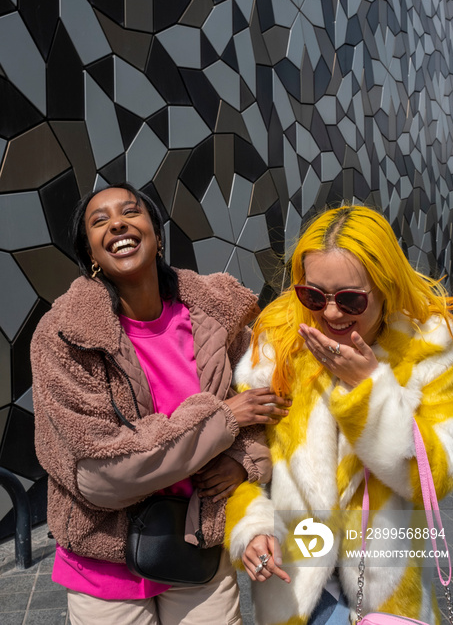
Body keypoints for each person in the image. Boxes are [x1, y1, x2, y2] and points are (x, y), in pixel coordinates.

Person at [31, 182, 292, 625]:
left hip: (198, 553)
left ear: (155, 233)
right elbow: (99, 474)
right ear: (91, 253)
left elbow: (264, 414)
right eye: (99, 221)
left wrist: (244, 464)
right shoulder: (63, 338)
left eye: (130, 212)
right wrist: (221, 421)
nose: (117, 223)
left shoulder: (215, 318)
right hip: (105, 568)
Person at [224, 205, 453, 625]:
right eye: (313, 296)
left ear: (386, 286)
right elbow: (241, 463)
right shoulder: (278, 343)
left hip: (385, 592)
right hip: (295, 577)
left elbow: (436, 479)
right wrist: (251, 528)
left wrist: (369, 388)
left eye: (351, 299)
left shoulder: (428, 348)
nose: (331, 313)